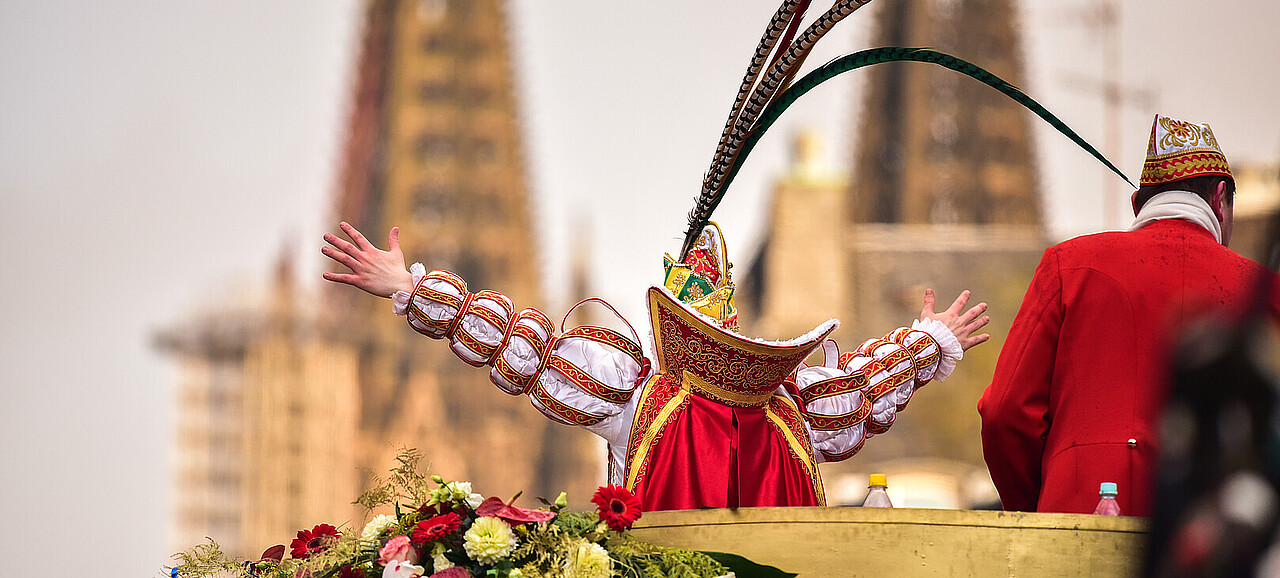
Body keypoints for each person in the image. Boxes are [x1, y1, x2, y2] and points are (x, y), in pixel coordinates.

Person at [323, 220, 990, 511]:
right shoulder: (794, 408)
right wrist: (931, 340)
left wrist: (412, 290)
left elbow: (525, 352)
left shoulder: (639, 399)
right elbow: (865, 393)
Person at [978, 114, 1280, 516]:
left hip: (1077, 524)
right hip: (1211, 535)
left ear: (1137, 203)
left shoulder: (1067, 266)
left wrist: (1040, 511)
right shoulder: (1266, 291)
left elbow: (1004, 414)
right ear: (1220, 200)